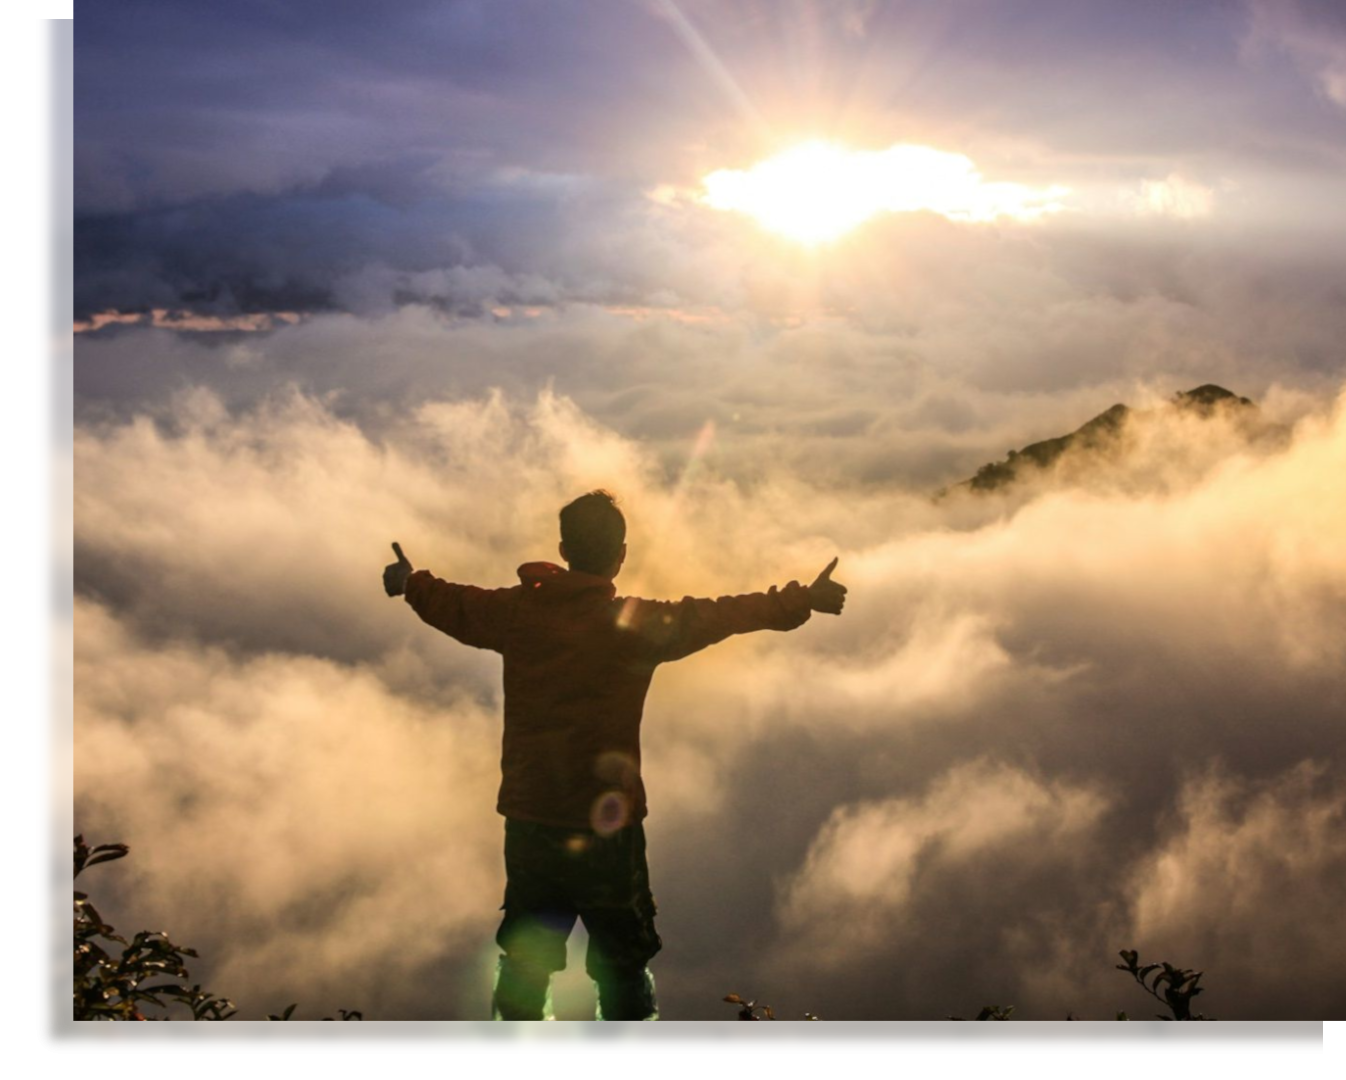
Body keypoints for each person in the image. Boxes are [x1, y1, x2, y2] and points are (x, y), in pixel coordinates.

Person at [383, 490, 846, 1021]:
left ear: (563, 548)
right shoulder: (632, 626)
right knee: (623, 965)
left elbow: (453, 603)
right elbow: (718, 614)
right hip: (609, 826)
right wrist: (800, 600)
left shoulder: (516, 614)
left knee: (526, 961)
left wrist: (409, 582)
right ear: (620, 554)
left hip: (532, 820)